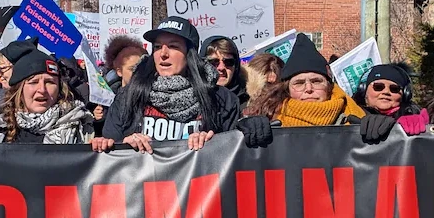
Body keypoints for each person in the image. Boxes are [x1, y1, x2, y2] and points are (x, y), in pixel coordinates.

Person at [103, 17, 239, 152]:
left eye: (173, 46)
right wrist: (124, 145)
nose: (163, 54)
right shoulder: (128, 95)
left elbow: (233, 155)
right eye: (157, 47)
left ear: (189, 53)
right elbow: (109, 155)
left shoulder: (221, 99)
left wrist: (214, 143)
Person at [0, 39, 101, 149]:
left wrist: (103, 150)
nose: (42, 90)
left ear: (59, 87)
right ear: (19, 89)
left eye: (50, 82)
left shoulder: (79, 125)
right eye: (33, 82)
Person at [245, 34, 366, 127]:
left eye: (316, 81)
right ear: (287, 89)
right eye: (299, 83)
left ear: (329, 87)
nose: (308, 89)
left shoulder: (355, 119)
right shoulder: (269, 120)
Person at [352, 63, 420, 119]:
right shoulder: (349, 113)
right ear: (364, 90)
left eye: (394, 89)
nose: (386, 92)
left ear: (405, 94)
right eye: (378, 87)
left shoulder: (415, 117)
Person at [203, 36, 249, 108]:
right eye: (214, 62)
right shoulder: (193, 104)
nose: (221, 68)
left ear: (236, 66)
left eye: (228, 62)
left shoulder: (252, 104)